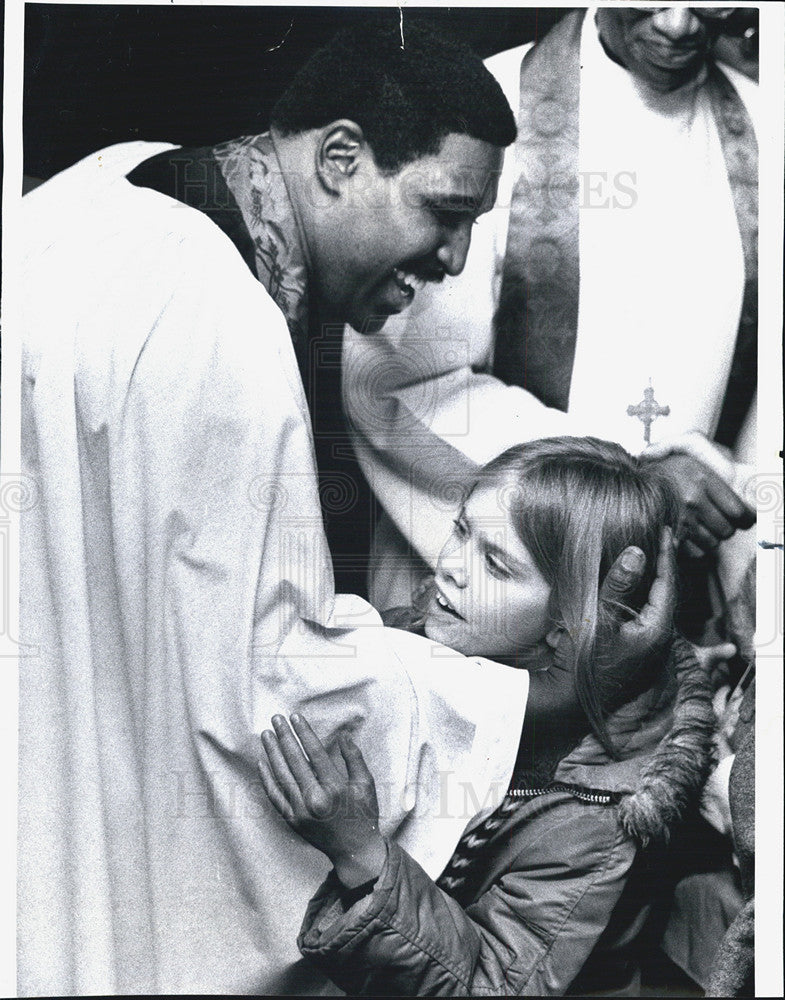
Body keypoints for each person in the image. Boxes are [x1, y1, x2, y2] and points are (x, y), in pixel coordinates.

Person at [19, 20, 674, 996]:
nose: (454, 260)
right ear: (338, 160)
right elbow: (270, 705)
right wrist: (549, 699)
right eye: (444, 212)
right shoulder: (220, 324)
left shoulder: (93, 198)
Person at [259, 437, 716, 996]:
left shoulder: (594, 819)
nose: (451, 568)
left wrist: (361, 854)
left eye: (496, 565)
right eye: (461, 530)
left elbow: (491, 987)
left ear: (570, 624)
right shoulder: (427, 634)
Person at [341, 6, 758, 614]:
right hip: (485, 579)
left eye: (709, 3)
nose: (678, 25)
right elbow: (394, 381)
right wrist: (631, 487)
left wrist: (748, 538)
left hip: (689, 591)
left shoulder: (767, 127)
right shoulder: (482, 119)